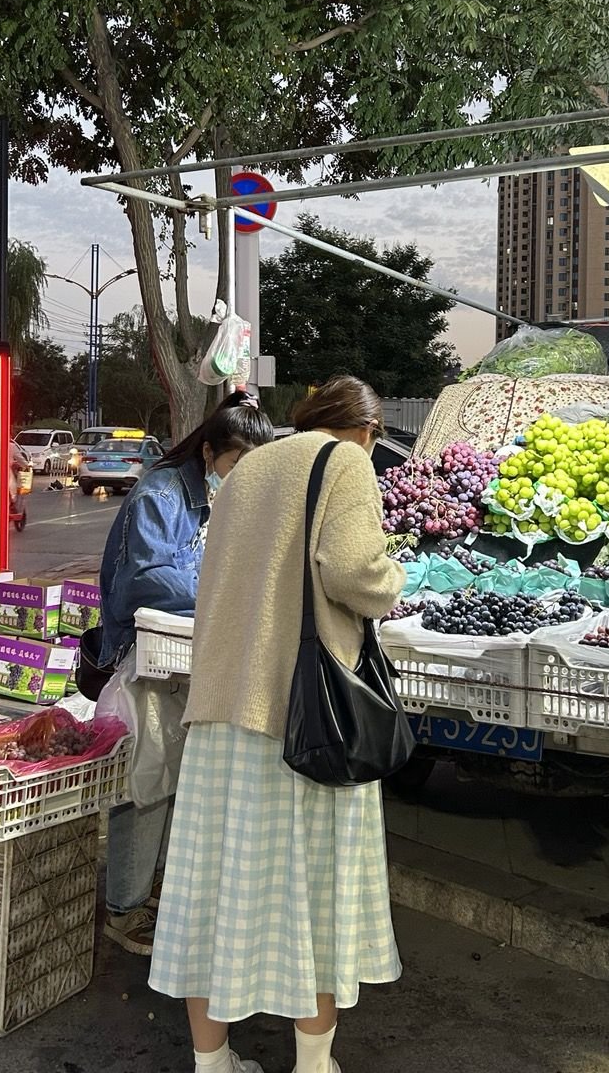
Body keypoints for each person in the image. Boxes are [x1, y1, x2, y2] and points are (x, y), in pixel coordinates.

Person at [149, 376, 406, 1073]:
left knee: (211, 892)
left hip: (221, 707)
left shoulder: (249, 468)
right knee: (311, 896)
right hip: (299, 717)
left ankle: (212, 1063)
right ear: (366, 430)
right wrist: (395, 582)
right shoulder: (344, 461)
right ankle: (315, 1064)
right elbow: (355, 570)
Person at [99, 391, 274, 955]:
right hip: (143, 659)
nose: (242, 475)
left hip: (191, 662)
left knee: (176, 783)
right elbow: (147, 577)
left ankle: (153, 898)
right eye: (236, 461)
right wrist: (226, 596)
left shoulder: (220, 498)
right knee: (146, 784)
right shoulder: (160, 494)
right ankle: (123, 911)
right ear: (207, 454)